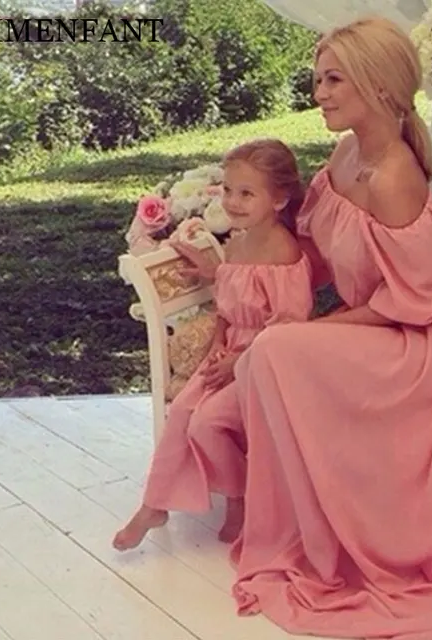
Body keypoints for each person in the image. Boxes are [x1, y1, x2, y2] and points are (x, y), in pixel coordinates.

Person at [175, 16, 432, 640]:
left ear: (378, 84)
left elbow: (411, 302)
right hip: (378, 323)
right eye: (318, 80)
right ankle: (300, 514)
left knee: (277, 349)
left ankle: (331, 526)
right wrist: (228, 261)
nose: (319, 93)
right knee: (278, 349)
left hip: (419, 339)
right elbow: (316, 249)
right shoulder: (347, 154)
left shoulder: (394, 177)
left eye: (334, 80)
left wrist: (315, 327)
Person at [112, 139, 314, 551]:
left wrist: (239, 360)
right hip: (230, 349)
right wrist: (219, 343)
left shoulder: (283, 252)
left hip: (266, 360)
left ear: (278, 200)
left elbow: (289, 327)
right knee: (183, 411)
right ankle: (154, 505)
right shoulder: (238, 242)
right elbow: (227, 304)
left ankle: (238, 494)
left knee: (207, 423)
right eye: (228, 190)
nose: (233, 202)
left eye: (247, 193)